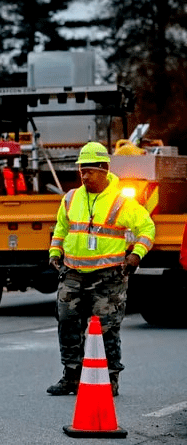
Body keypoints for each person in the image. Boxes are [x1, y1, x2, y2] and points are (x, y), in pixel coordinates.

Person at [47, 142, 155, 397]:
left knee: (106, 328)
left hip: (108, 277)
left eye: (91, 171)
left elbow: (147, 229)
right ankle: (71, 377)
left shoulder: (121, 201)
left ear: (105, 169)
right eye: (82, 171)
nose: (85, 176)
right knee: (67, 323)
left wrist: (136, 255)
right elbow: (62, 227)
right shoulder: (71, 198)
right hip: (72, 273)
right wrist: (55, 251)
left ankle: (109, 380)